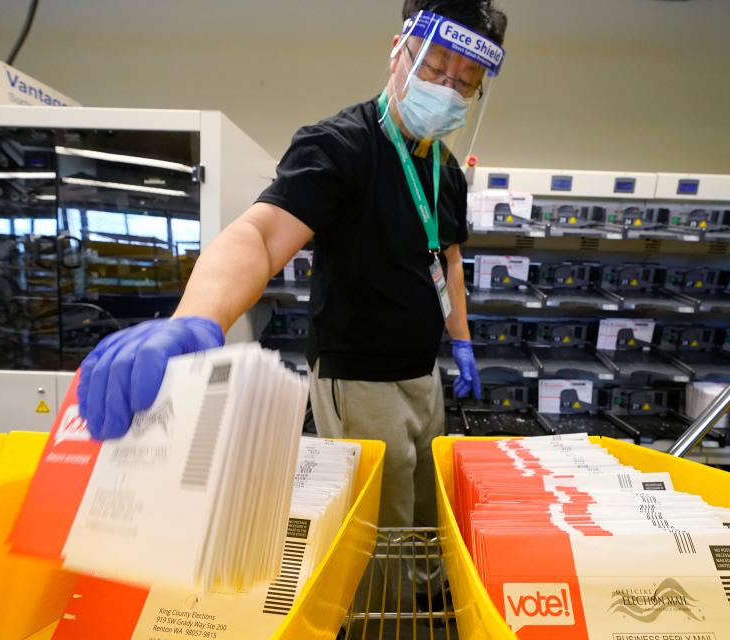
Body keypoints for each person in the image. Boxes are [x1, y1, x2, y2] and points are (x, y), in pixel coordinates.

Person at [77, 0, 507, 539]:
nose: (447, 89)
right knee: (380, 528)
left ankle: (420, 603)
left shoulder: (446, 169)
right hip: (359, 379)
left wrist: (460, 341)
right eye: (435, 66)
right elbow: (259, 235)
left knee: (426, 508)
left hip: (423, 372)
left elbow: (447, 256)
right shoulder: (340, 146)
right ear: (398, 52)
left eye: (466, 81)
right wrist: (193, 319)